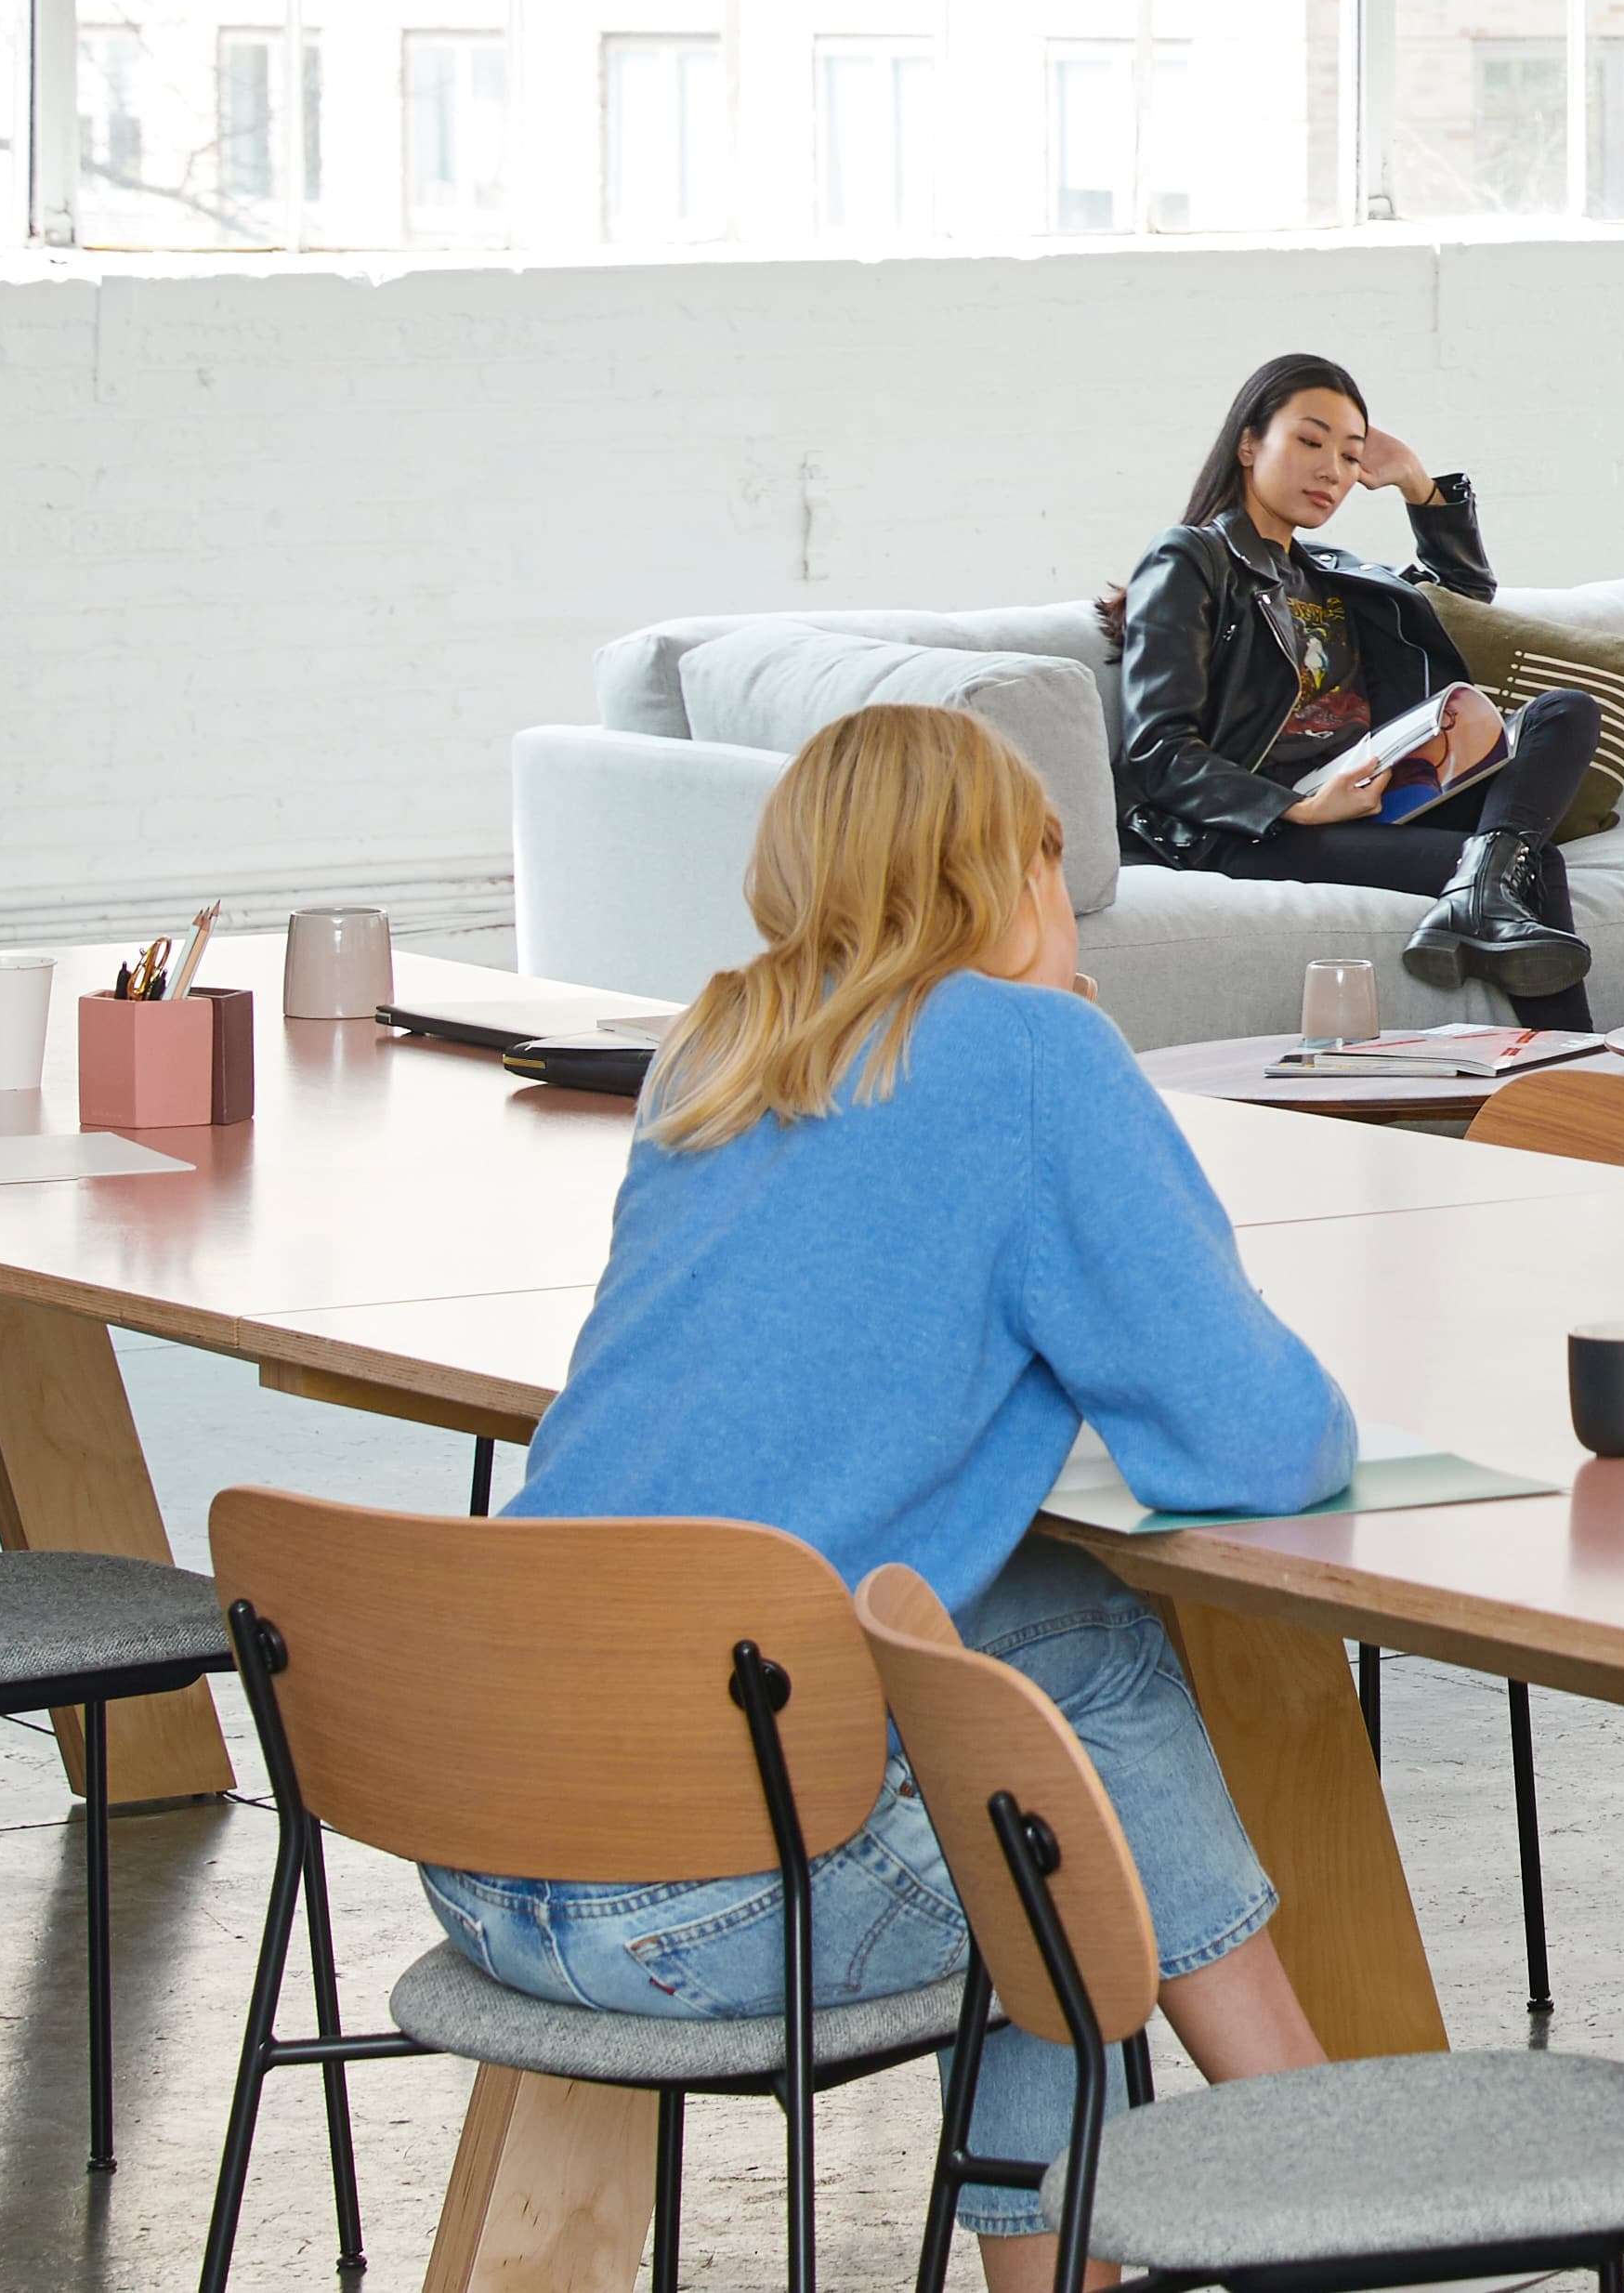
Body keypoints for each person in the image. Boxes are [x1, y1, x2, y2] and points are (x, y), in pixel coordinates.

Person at [422, 705, 1354, 2293]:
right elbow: (1259, 1451)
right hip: (694, 1914)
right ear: (1021, 870)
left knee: (1065, 1636)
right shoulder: (1036, 1056)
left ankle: (1308, 2147)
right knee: (1043, 1824)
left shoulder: (715, 1048)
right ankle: (1326, 2182)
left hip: (482, 1848)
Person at [1115, 351, 1602, 1015]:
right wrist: (1300, 808)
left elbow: (1462, 593)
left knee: (1563, 712)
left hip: (1370, 796)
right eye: (1310, 442)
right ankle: (1571, 1064)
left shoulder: (1332, 574)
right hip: (1257, 826)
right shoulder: (1192, 557)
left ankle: (1479, 894)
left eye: (1349, 456)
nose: (1332, 472)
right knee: (1535, 868)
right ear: (1248, 444)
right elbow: (1158, 749)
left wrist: (1417, 484)